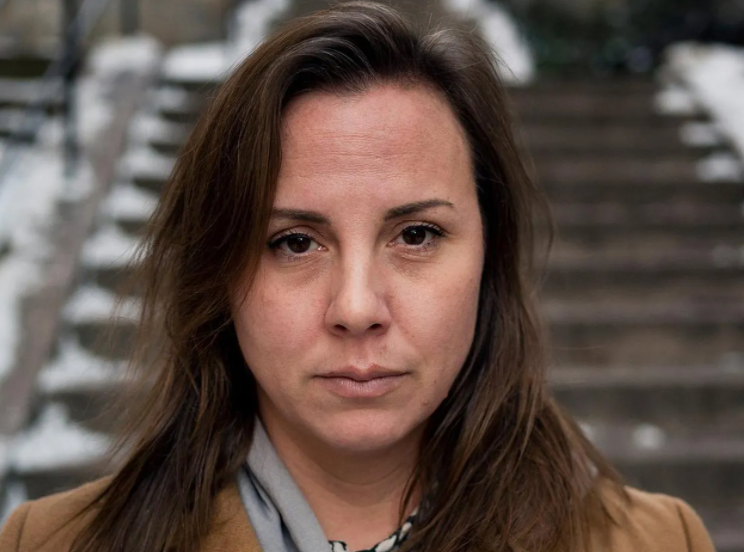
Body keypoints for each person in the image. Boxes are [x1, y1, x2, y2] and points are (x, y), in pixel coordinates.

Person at [0, 2, 716, 552]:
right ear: (217, 271)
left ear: (489, 255)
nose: (356, 306)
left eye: (416, 235)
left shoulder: (656, 542)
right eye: (294, 243)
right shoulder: (51, 543)